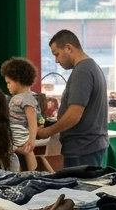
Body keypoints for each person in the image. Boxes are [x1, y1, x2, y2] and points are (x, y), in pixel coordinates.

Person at [36, 30, 109, 167]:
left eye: (57, 54)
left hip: (83, 148)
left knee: (81, 188)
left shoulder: (82, 71)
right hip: (88, 147)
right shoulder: (91, 67)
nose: (56, 60)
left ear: (69, 48)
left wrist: (47, 132)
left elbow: (74, 114)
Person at [0, 57, 41, 168]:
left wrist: (32, 139)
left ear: (17, 80)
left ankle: (33, 172)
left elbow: (32, 120)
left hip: (21, 132)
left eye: (9, 82)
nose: (7, 86)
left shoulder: (27, 98)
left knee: (27, 151)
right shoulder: (15, 98)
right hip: (14, 131)